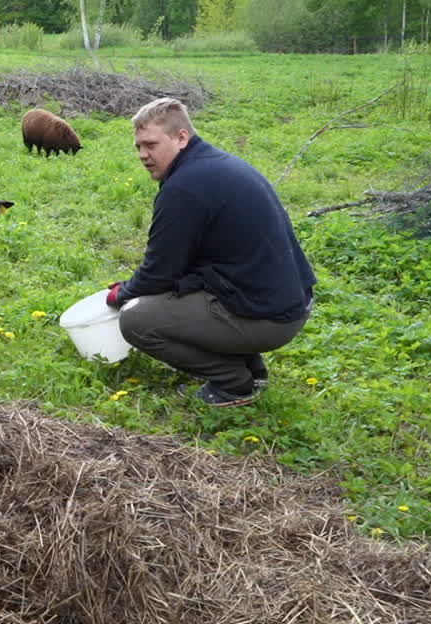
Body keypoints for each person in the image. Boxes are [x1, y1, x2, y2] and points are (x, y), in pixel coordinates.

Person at [106, 97, 316, 408]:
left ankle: (234, 383)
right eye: (138, 146)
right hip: (288, 302)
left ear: (181, 137)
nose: (142, 155)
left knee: (137, 319)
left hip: (270, 318)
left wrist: (123, 294)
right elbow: (184, 265)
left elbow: (158, 273)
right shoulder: (215, 164)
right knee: (179, 296)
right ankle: (252, 369)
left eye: (150, 144)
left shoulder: (184, 187)